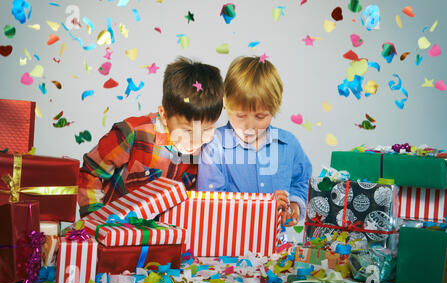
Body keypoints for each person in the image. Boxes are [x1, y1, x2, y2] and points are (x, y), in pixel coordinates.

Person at [78, 56, 224, 218]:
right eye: (187, 131)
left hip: (165, 236)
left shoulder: (209, 150)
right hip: (115, 231)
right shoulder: (134, 132)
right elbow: (91, 172)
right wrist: (94, 220)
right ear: (164, 115)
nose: (196, 140)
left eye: (207, 129)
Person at [197, 55, 312, 227]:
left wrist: (294, 206)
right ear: (225, 103)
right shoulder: (214, 146)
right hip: (230, 246)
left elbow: (301, 181)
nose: (249, 126)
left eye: (260, 116)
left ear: (274, 108)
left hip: (276, 248)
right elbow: (211, 205)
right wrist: (264, 206)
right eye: (241, 116)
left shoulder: (289, 144)